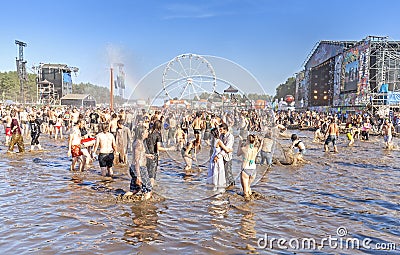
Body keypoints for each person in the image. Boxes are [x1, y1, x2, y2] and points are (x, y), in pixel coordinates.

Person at [125, 126, 154, 200]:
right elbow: (136, 160)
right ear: (142, 133)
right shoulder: (138, 144)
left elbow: (138, 154)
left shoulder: (138, 142)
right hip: (139, 168)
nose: (148, 133)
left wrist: (147, 155)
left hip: (136, 168)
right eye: (146, 132)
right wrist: (138, 176)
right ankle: (145, 207)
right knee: (148, 190)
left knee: (135, 190)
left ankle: (122, 200)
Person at [145, 120, 174, 187]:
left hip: (146, 155)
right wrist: (169, 149)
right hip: (153, 156)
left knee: (147, 174)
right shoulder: (158, 134)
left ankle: (146, 190)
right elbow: (158, 148)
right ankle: (149, 192)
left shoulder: (148, 132)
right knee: (152, 176)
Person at [237, 134, 260, 199]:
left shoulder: (244, 149)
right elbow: (257, 143)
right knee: (248, 187)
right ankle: (252, 203)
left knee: (245, 192)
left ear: (247, 140)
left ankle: (247, 206)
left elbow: (238, 154)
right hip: (253, 170)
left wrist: (240, 143)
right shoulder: (256, 148)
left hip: (245, 170)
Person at [216, 123, 235, 188]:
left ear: (225, 129)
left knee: (228, 172)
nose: (219, 130)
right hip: (222, 156)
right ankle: (227, 185)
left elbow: (227, 149)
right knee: (223, 172)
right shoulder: (221, 135)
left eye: (221, 129)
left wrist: (218, 156)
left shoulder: (230, 136)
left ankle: (232, 186)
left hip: (227, 157)